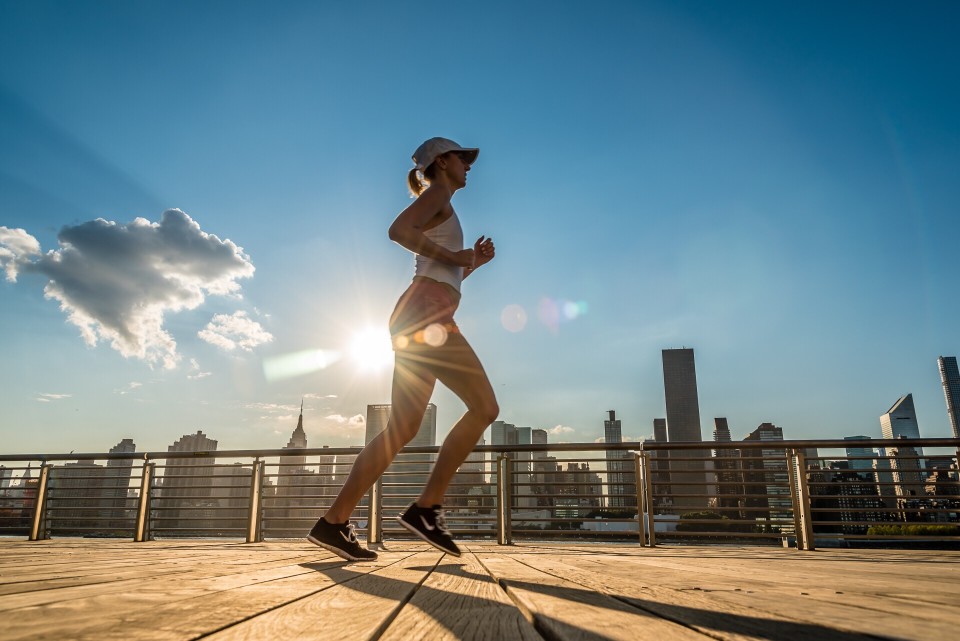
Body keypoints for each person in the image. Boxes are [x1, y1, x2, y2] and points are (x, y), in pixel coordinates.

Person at [307, 137, 499, 561]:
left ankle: (333, 522)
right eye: (462, 159)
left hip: (421, 312)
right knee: (484, 408)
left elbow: (442, 273)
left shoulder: (443, 200)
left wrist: (470, 264)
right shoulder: (439, 194)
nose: (469, 166)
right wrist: (456, 255)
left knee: (402, 429)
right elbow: (398, 232)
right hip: (427, 316)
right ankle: (426, 508)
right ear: (442, 162)